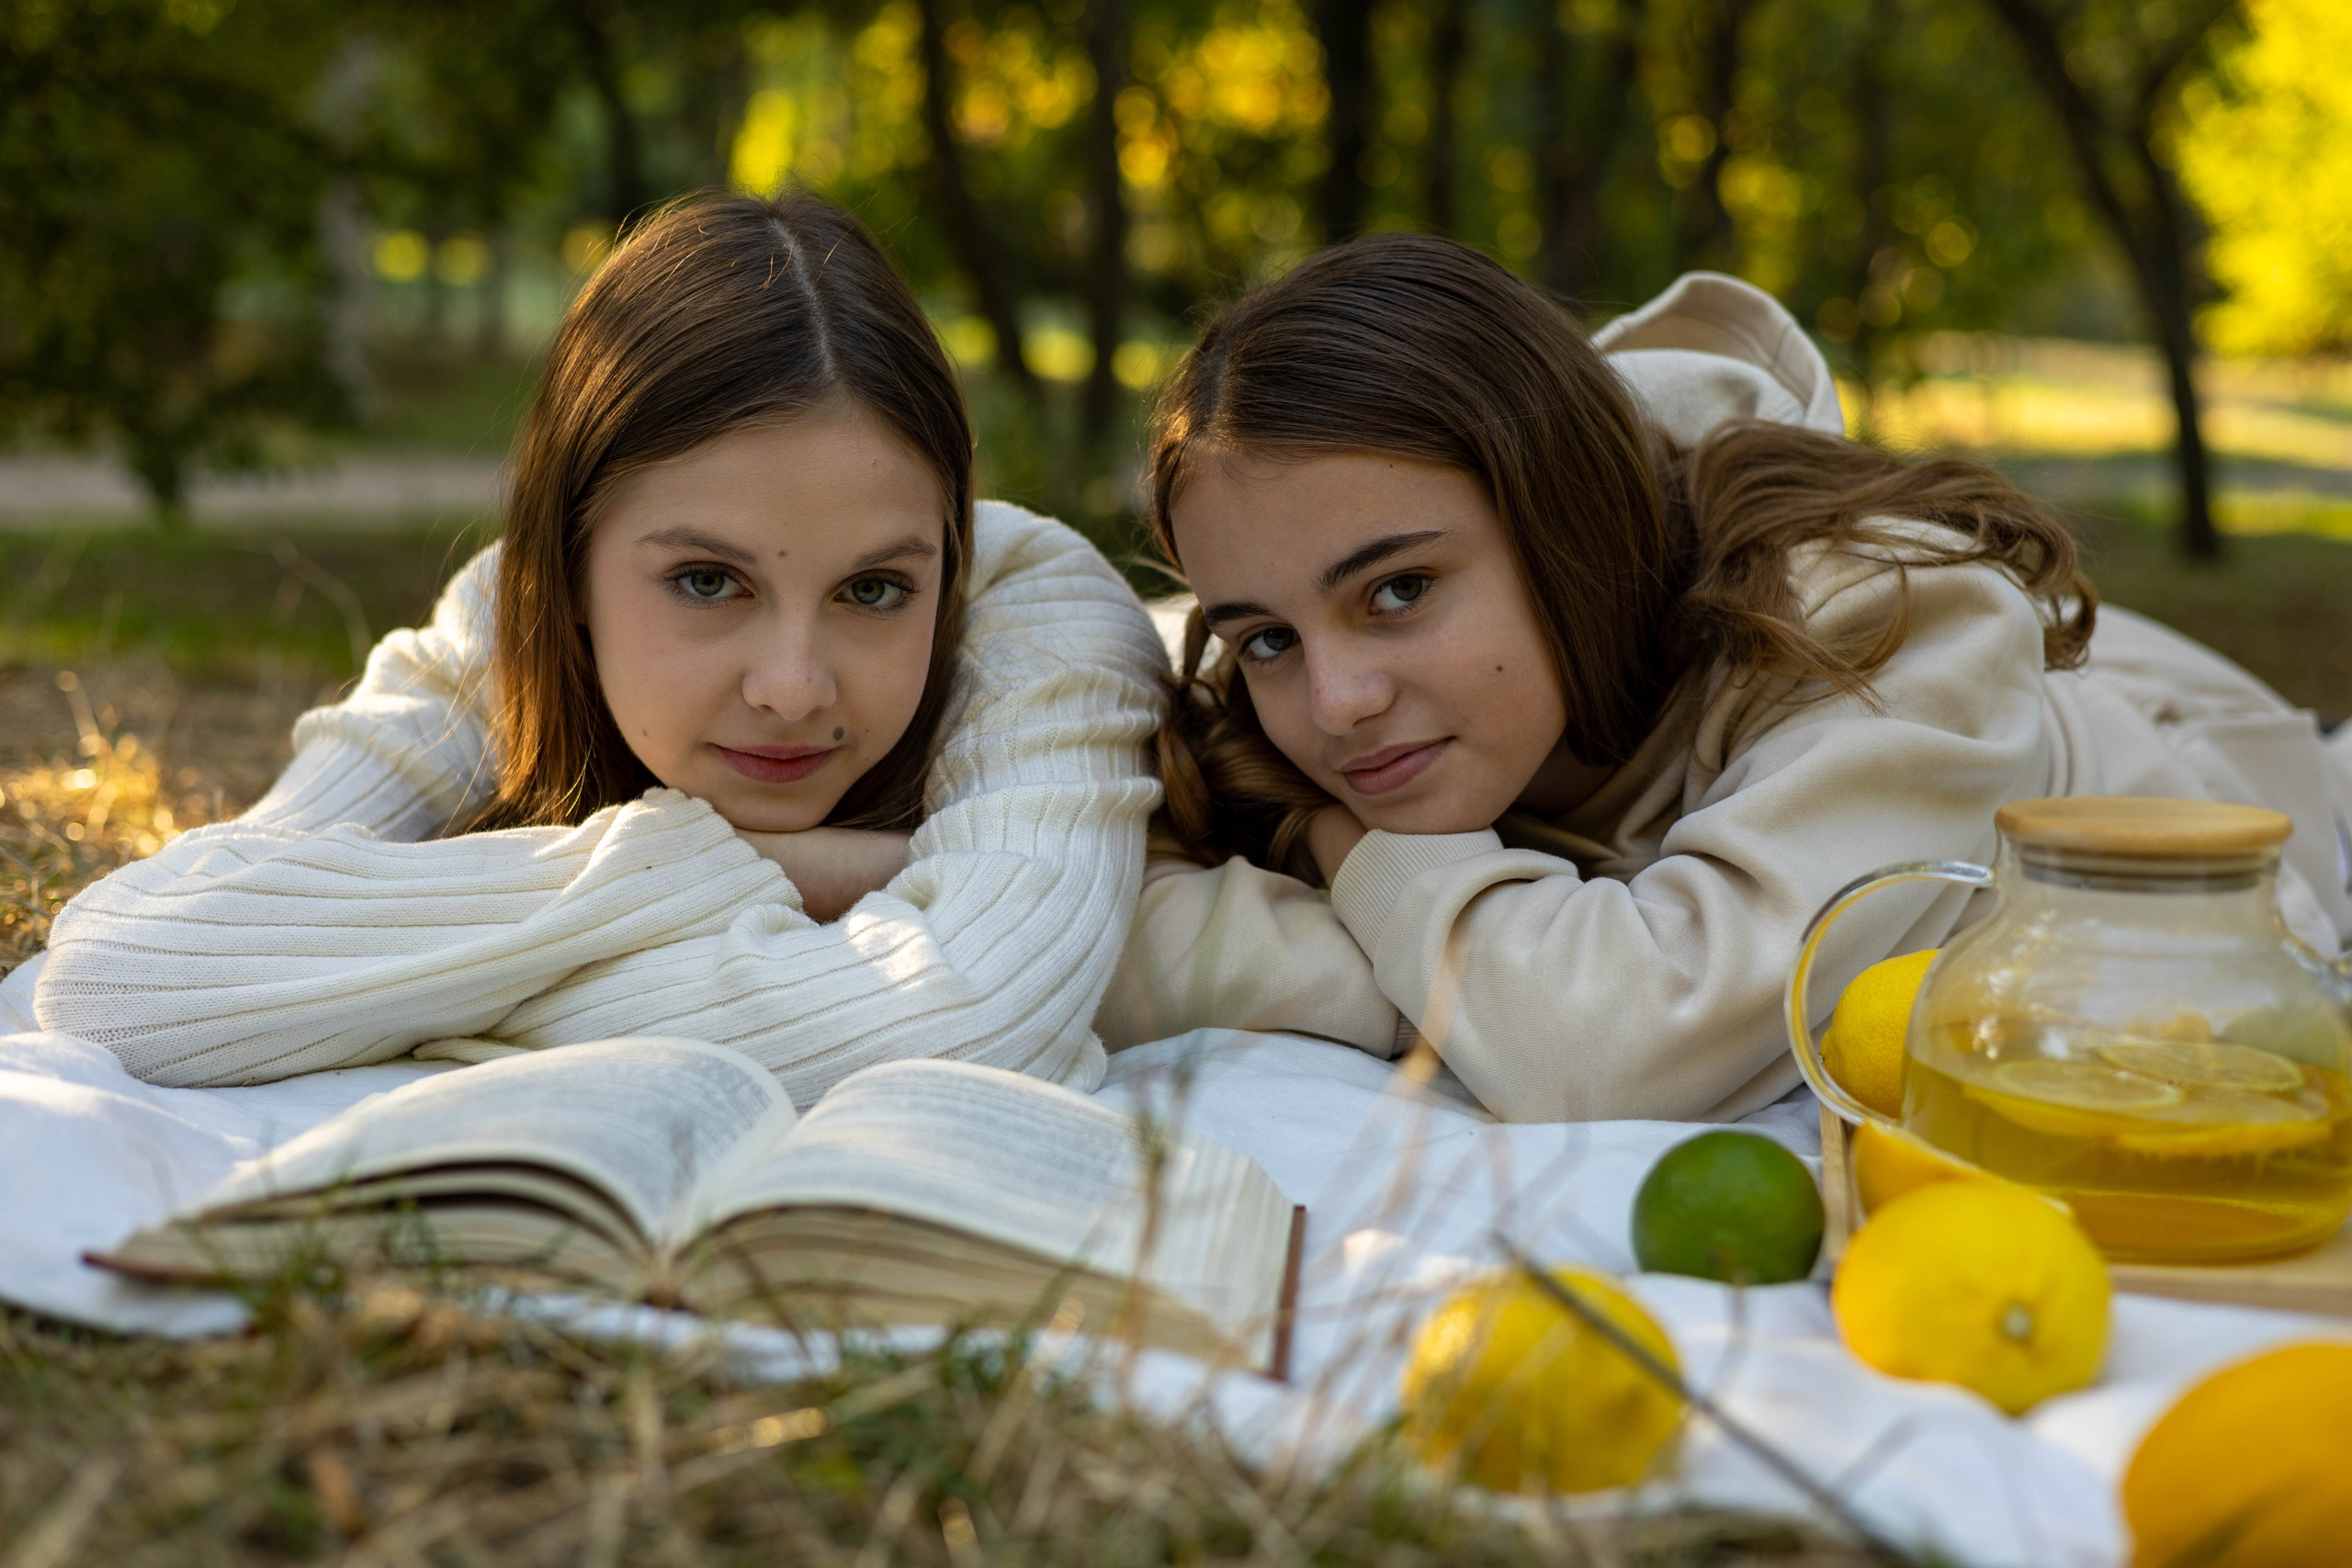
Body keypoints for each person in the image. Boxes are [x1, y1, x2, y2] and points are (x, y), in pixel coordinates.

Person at [1097, 234, 2352, 1123]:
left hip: (2206, 772)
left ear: (1565, 520)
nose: (1337, 704)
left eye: (1399, 591)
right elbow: (1091, 910)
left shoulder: (1896, 621)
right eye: (1267, 635)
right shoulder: (1326, 682)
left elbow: (1613, 1041)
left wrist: (1349, 851)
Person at [33, 192, 1167, 1098]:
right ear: (565, 567)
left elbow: (967, 1016)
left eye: (874, 589)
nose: (789, 687)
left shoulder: (1036, 613)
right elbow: (128, 970)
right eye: (707, 581)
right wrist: (738, 867)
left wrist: (404, 975)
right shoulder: (499, 625)